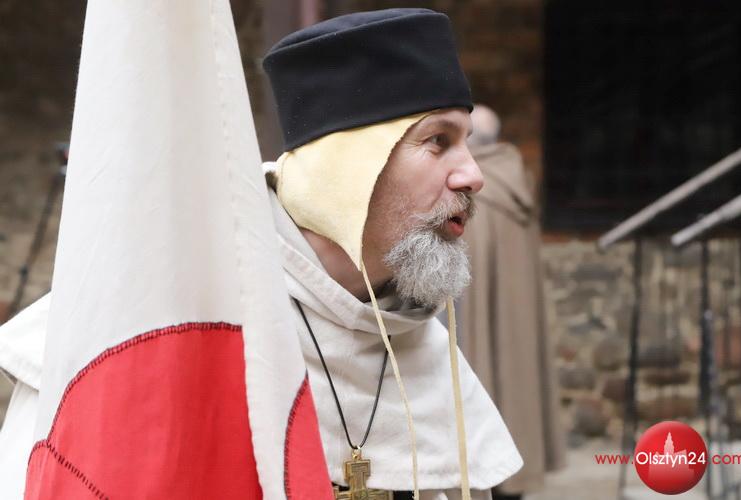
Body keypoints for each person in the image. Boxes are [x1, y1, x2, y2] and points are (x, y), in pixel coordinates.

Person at [0, 9, 522, 499]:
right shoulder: (159, 314)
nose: (473, 175)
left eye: (466, 142)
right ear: (346, 167)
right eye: (438, 141)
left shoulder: (410, 335)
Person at [459, 105, 566, 500]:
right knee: (515, 385)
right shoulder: (518, 177)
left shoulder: (475, 190)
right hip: (517, 325)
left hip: (474, 329)